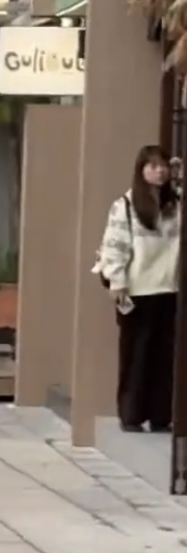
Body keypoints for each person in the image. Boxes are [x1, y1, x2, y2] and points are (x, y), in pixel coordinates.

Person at [94, 144, 181, 432]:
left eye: (164, 166)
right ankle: (131, 415)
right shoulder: (126, 205)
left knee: (164, 357)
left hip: (169, 289)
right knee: (136, 356)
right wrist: (117, 281)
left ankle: (160, 416)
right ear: (141, 170)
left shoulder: (174, 205)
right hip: (137, 291)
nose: (160, 171)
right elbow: (114, 245)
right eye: (153, 166)